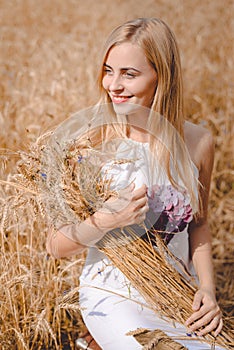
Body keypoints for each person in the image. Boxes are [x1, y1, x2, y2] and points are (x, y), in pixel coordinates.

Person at [46, 18, 224, 349]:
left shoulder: (198, 142)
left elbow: (199, 224)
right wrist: (106, 221)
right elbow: (55, 245)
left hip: (177, 290)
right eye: (108, 70)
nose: (113, 84)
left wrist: (207, 289)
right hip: (112, 294)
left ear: (163, 76)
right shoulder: (92, 143)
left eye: (129, 73)